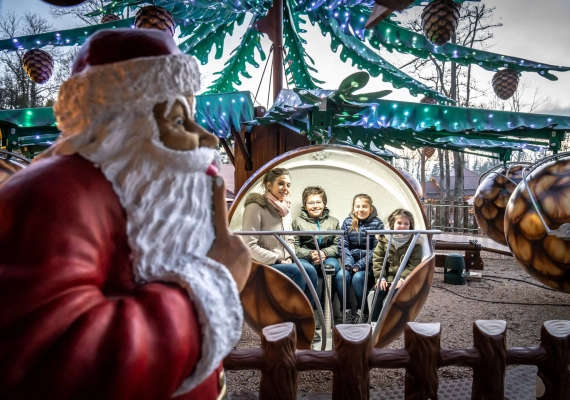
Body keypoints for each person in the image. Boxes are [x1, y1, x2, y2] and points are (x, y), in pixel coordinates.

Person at [0, 29, 251, 399]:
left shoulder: (140, 190)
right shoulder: (54, 196)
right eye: (180, 121)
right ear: (123, 125)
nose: (207, 138)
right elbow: (54, 362)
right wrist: (213, 281)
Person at [241, 168, 318, 307]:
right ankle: (292, 315)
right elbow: (249, 245)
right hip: (262, 262)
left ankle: (308, 315)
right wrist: (277, 259)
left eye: (288, 185)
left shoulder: (285, 210)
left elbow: (290, 239)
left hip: (284, 260)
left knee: (311, 271)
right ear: (269, 185)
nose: (285, 188)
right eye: (281, 183)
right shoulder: (254, 207)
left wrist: (289, 257)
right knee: (296, 272)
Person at [292, 186, 341, 321]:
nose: (315, 206)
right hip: (306, 257)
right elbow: (295, 246)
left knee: (332, 268)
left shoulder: (334, 221)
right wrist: (310, 254)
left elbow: (338, 245)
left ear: (324, 203)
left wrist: (324, 252)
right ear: (305, 205)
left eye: (318, 202)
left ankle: (326, 309)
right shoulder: (297, 222)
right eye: (311, 202)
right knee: (305, 270)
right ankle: (311, 311)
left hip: (328, 256)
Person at [336, 194, 384, 324]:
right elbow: (342, 246)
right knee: (341, 276)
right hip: (349, 263)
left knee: (358, 278)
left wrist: (359, 265)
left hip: (367, 265)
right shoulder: (347, 222)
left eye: (364, 206)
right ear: (353, 208)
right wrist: (349, 264)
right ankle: (346, 313)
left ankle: (362, 312)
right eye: (358, 206)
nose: (361, 209)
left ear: (371, 208)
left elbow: (377, 250)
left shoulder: (378, 223)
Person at [371, 208, 423, 323]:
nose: (403, 226)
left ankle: (390, 322)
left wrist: (403, 278)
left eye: (406, 224)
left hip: (403, 279)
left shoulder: (414, 242)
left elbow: (413, 265)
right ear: (392, 224)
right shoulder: (384, 239)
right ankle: (374, 321)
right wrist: (380, 277)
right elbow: (378, 260)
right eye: (399, 223)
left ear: (410, 226)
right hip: (388, 277)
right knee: (379, 291)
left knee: (395, 294)